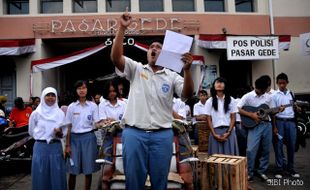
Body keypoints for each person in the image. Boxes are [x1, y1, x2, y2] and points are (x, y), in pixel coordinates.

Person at [110, 10, 194, 190]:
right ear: (148, 53)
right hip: (134, 134)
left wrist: (187, 70)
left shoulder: (172, 76)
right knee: (133, 182)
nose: (153, 49)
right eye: (151, 47)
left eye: (158, 47)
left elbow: (187, 93)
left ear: (165, 53)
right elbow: (116, 58)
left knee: (159, 183)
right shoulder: (137, 69)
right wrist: (121, 29)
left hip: (162, 136)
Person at [238, 76, 282, 182]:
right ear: (257, 87)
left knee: (266, 150)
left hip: (266, 125)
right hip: (254, 127)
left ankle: (262, 171)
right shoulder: (248, 96)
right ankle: (250, 172)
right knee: (250, 149)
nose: (262, 92)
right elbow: (238, 108)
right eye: (261, 90)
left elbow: (272, 112)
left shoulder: (268, 97)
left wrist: (278, 110)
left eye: (264, 90)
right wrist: (252, 115)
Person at [29, 87, 67, 190]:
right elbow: (31, 131)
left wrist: (59, 133)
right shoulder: (36, 113)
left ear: (56, 97)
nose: (50, 98)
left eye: (53, 95)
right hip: (40, 148)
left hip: (55, 147)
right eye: (48, 95)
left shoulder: (60, 113)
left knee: (57, 174)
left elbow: (64, 133)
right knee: (41, 174)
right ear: (43, 97)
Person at [65, 80, 100, 190]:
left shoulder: (93, 106)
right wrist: (67, 145)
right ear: (76, 91)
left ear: (87, 90)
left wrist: (105, 123)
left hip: (89, 138)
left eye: (84, 88)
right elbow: (68, 127)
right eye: (79, 88)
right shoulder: (71, 107)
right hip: (74, 140)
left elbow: (97, 123)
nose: (82, 90)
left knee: (88, 170)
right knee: (73, 170)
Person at [98, 80, 126, 189]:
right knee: (107, 165)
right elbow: (102, 121)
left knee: (122, 161)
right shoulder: (103, 104)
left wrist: (115, 121)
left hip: (121, 135)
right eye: (110, 91)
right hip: (108, 136)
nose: (112, 93)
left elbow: (125, 120)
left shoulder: (123, 104)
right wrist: (106, 121)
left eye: (114, 91)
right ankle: (105, 183)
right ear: (106, 92)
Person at [272, 73, 300, 179]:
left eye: (284, 83)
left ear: (287, 82)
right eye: (280, 83)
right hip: (279, 122)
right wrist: (274, 127)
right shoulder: (274, 95)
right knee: (279, 146)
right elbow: (273, 113)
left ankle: (291, 169)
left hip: (291, 122)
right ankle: (279, 169)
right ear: (277, 83)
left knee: (291, 146)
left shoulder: (291, 93)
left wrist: (296, 109)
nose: (282, 85)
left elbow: (294, 106)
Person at [205, 77, 238, 155]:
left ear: (225, 85)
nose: (219, 84)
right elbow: (208, 119)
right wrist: (214, 134)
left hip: (228, 131)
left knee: (230, 157)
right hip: (215, 131)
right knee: (216, 158)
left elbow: (233, 117)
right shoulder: (210, 101)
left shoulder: (231, 100)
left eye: (221, 82)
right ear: (214, 86)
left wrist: (229, 132)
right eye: (217, 82)